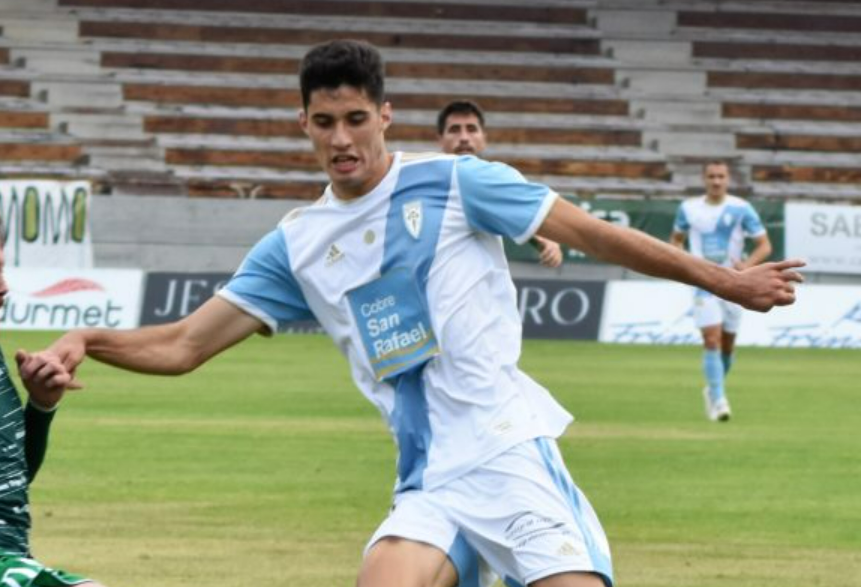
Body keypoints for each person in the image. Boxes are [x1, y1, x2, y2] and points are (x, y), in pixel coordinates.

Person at [19, 40, 803, 587]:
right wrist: (87, 336)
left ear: (385, 115)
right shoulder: (296, 243)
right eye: (323, 122)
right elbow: (185, 343)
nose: (341, 139)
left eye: (355, 119)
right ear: (302, 125)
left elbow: (594, 234)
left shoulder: (460, 182)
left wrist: (724, 281)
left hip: (505, 451)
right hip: (425, 479)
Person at [0, 221, 105, 587]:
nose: (4, 286)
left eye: (2, 268)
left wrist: (41, 407)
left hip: (13, 556)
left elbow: (11, 478)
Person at [670, 161, 773, 422]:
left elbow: (764, 245)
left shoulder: (741, 208)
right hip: (703, 284)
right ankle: (719, 400)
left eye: (721, 176)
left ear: (728, 180)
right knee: (712, 339)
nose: (716, 181)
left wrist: (747, 267)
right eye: (712, 176)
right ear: (704, 179)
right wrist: (684, 266)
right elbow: (676, 241)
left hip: (734, 284)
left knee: (727, 345)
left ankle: (713, 388)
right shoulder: (688, 208)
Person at [437, 99, 563, 269]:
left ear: (484, 138)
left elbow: (527, 212)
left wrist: (547, 240)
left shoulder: (493, 182)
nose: (464, 138)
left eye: (471, 129)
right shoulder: (424, 182)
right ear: (440, 139)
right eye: (454, 130)